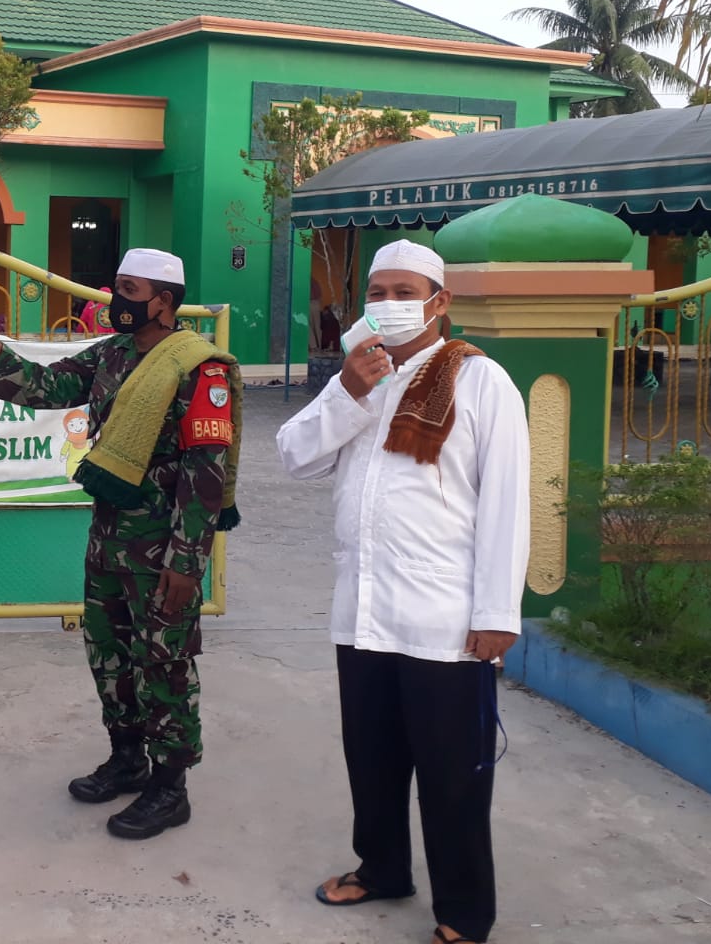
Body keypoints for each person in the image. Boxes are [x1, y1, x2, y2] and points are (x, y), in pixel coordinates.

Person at [274, 239, 529, 944]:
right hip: (362, 612)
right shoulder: (362, 376)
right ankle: (382, 868)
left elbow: (507, 503)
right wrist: (351, 392)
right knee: (374, 760)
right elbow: (295, 456)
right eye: (378, 292)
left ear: (440, 301)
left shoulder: (482, 383)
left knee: (454, 777)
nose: (388, 304)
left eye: (404, 290)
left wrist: (497, 612)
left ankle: (464, 914)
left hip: (444, 619)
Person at [0, 249, 241, 840]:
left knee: (163, 659)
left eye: (129, 290)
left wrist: (187, 564)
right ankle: (127, 758)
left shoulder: (198, 367)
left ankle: (170, 786)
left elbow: (205, 474)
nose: (116, 301)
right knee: (109, 652)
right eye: (115, 287)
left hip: (164, 545)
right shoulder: (112, 354)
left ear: (164, 299)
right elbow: (51, 383)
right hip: (110, 536)